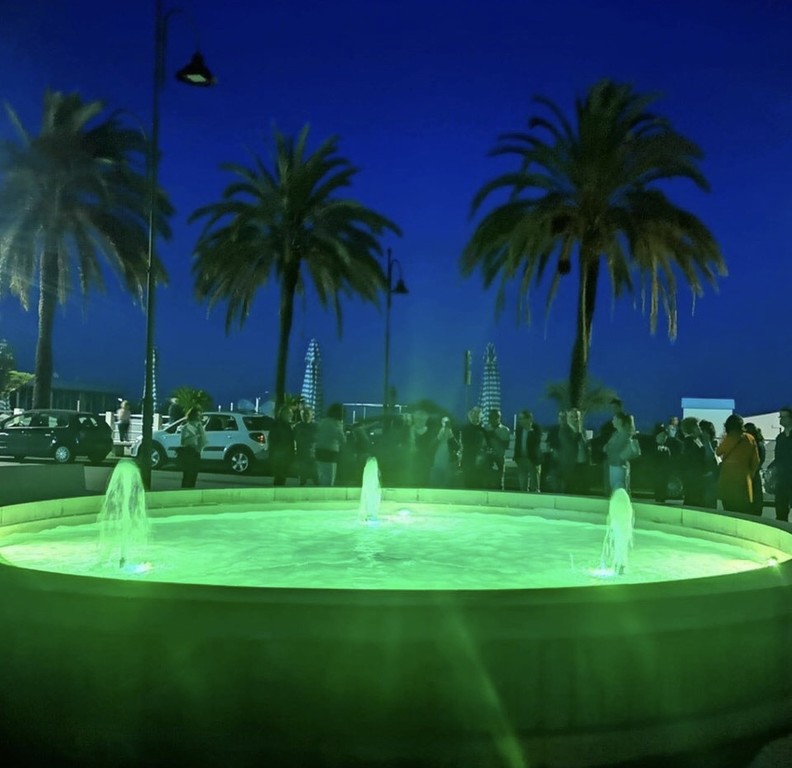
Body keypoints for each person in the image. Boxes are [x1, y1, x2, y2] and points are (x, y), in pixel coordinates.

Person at [716, 414, 760, 515]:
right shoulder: (750, 438)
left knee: (729, 510)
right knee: (743, 511)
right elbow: (756, 460)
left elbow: (718, 452)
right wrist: (750, 474)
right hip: (744, 480)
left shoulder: (729, 438)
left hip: (728, 479)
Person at [603, 412, 640, 494]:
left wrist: (608, 448)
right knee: (615, 489)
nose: (612, 421)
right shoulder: (616, 434)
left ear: (619, 421)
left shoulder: (624, 435)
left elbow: (612, 449)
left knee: (619, 489)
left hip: (619, 466)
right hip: (614, 464)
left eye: (614, 419)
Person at [558, 408, 589, 494]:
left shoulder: (582, 430)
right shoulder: (564, 430)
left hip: (582, 463)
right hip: (570, 464)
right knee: (569, 487)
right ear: (568, 417)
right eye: (572, 416)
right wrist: (579, 431)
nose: (575, 419)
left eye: (577, 416)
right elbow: (570, 444)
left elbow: (586, 443)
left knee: (581, 488)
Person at [315, 403, 346, 486]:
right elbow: (342, 439)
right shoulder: (337, 423)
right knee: (329, 478)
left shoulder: (322, 422)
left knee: (321, 476)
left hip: (319, 451)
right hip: (330, 453)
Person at [513, 410, 542, 492]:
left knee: (534, 484)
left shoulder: (536, 428)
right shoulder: (519, 430)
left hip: (532, 459)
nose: (520, 421)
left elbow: (537, 442)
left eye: (522, 418)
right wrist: (516, 456)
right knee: (523, 484)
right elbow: (517, 443)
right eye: (519, 418)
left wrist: (530, 430)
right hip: (521, 459)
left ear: (529, 419)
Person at [459, 406, 487, 489]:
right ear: (470, 416)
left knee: (478, 484)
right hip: (468, 461)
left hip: (480, 462)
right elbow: (465, 444)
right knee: (468, 483)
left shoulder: (483, 430)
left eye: (478, 416)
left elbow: (486, 445)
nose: (476, 418)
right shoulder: (465, 429)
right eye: (474, 415)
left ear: (481, 417)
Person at [179, 407, 207, 488]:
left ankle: (188, 490)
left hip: (194, 453)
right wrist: (195, 438)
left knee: (191, 476)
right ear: (193, 416)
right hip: (190, 453)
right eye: (198, 415)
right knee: (189, 475)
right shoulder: (188, 427)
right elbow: (183, 442)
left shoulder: (198, 427)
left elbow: (203, 440)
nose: (199, 417)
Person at [269, 404, 296, 487]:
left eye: (291, 413)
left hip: (284, 455)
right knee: (280, 476)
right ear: (283, 414)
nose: (291, 415)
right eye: (289, 413)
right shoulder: (279, 425)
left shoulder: (286, 425)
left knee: (281, 477)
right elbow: (273, 439)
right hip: (280, 456)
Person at [483, 408, 511, 489]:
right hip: (488, 458)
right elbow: (483, 445)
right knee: (487, 480)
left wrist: (495, 437)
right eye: (490, 417)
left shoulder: (505, 430)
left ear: (499, 417)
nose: (492, 419)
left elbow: (506, 446)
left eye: (495, 417)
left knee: (499, 480)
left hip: (499, 458)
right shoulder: (486, 428)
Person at [773, 406, 792, 522]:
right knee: (781, 513)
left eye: (783, 417)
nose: (781, 419)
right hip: (782, 480)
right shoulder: (780, 438)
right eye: (780, 417)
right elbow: (777, 458)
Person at [293, 406, 319, 486]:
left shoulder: (316, 427)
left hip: (313, 456)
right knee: (302, 478)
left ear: (312, 415)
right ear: (301, 415)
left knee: (316, 478)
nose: (306, 416)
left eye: (307, 414)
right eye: (303, 414)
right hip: (301, 455)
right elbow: (293, 439)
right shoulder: (297, 427)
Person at [743, 422, 766, 516]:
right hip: (755, 475)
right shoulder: (760, 444)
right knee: (756, 502)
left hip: (749, 475)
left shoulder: (751, 444)